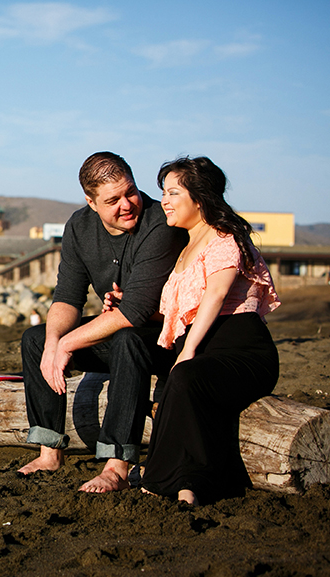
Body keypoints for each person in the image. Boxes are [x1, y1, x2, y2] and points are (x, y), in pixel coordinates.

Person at [17, 151, 186, 492]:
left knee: (128, 339)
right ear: (91, 202)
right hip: (124, 326)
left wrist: (68, 343)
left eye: (131, 192)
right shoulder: (79, 226)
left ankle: (116, 464)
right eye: (113, 200)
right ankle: (49, 450)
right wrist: (54, 343)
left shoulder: (159, 223)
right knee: (36, 339)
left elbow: (136, 310)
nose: (127, 204)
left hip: (169, 339)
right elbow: (67, 296)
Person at [139, 157, 280, 506]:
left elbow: (216, 294)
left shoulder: (224, 238)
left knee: (184, 378)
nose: (165, 201)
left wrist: (186, 353)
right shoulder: (184, 249)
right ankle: (180, 481)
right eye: (162, 193)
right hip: (202, 351)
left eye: (173, 192)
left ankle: (183, 482)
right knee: (177, 384)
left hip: (243, 351)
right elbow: (178, 312)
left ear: (199, 199)